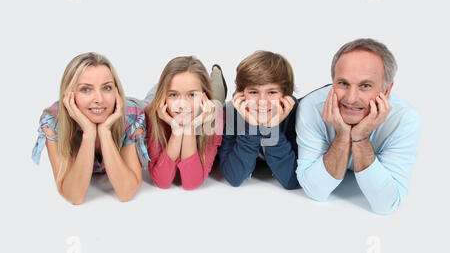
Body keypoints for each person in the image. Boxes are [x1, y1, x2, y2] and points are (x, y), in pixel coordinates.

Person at [295, 38, 421, 214]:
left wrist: (361, 138)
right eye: (343, 83)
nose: (351, 98)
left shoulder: (405, 119)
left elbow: (386, 205)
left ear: (386, 90)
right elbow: (316, 191)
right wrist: (342, 135)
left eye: (365, 86)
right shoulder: (311, 107)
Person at [32, 52, 150, 204]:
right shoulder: (54, 123)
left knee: (178, 87)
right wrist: (89, 133)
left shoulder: (131, 117)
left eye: (107, 88)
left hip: (152, 107)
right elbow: (74, 196)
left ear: (117, 91)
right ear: (69, 95)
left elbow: (126, 192)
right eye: (86, 90)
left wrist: (105, 132)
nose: (99, 99)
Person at [219, 51, 299, 189]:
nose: (262, 102)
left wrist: (272, 128)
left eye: (272, 92)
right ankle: (217, 74)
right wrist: (251, 126)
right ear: (241, 94)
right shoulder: (232, 111)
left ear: (286, 95)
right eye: (253, 92)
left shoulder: (295, 112)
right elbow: (234, 177)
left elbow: (291, 180)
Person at [145, 56, 223, 190]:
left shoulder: (216, 117)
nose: (183, 105)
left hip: (204, 108)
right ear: (164, 97)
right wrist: (176, 131)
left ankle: (216, 72)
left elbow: (191, 183)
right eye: (173, 95)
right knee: (153, 96)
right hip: (161, 100)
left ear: (204, 97)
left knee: (218, 92)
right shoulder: (152, 113)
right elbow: (162, 181)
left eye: (192, 95)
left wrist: (190, 128)